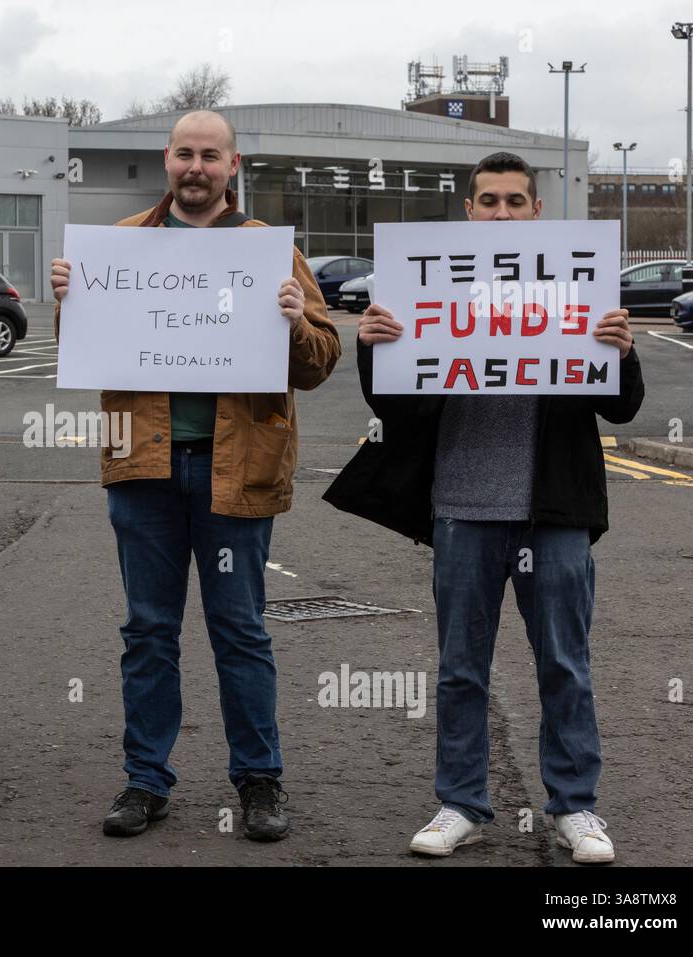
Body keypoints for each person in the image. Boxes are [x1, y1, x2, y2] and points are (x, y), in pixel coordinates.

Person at [324, 152, 643, 864]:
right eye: (488, 201)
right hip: (462, 507)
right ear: (470, 211)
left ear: (537, 213)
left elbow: (621, 406)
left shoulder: (577, 283)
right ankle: (460, 802)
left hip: (554, 512)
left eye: (515, 201)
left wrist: (619, 353)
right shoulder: (427, 282)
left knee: (564, 662)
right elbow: (395, 406)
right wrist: (373, 350)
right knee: (460, 667)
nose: (501, 213)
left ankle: (574, 806)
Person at [51, 110, 341, 841]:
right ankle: (146, 780)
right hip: (143, 468)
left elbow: (320, 362)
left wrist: (294, 321)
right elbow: (84, 352)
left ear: (232, 165)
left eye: (211, 156)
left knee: (239, 629)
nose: (197, 168)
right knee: (147, 630)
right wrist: (68, 301)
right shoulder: (118, 245)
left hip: (235, 471)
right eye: (186, 154)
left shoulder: (269, 251)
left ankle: (260, 780)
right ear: (167, 159)